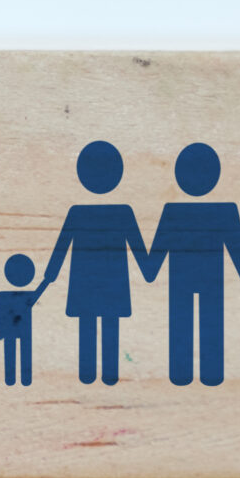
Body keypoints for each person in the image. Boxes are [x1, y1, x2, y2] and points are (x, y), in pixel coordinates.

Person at [40, 141, 158, 385]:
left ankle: (89, 373)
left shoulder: (82, 212)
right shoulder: (119, 212)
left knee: (90, 326)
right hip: (110, 281)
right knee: (106, 326)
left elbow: (61, 248)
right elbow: (137, 247)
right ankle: (107, 374)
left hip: (87, 282)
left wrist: (49, 276)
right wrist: (149, 269)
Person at [146, 142, 240, 385]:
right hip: (209, 278)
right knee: (208, 322)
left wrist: (150, 269)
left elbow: (159, 247)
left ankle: (181, 373)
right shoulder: (222, 211)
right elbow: (236, 246)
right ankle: (211, 373)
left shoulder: (174, 211)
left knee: (184, 322)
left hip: (184, 278)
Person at [0, 253, 46, 385]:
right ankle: (15, 379)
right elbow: (1, 314)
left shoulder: (3, 295)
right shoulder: (3, 296)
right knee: (14, 354)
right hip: (16, 331)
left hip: (21, 331)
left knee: (22, 353)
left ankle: (23, 379)